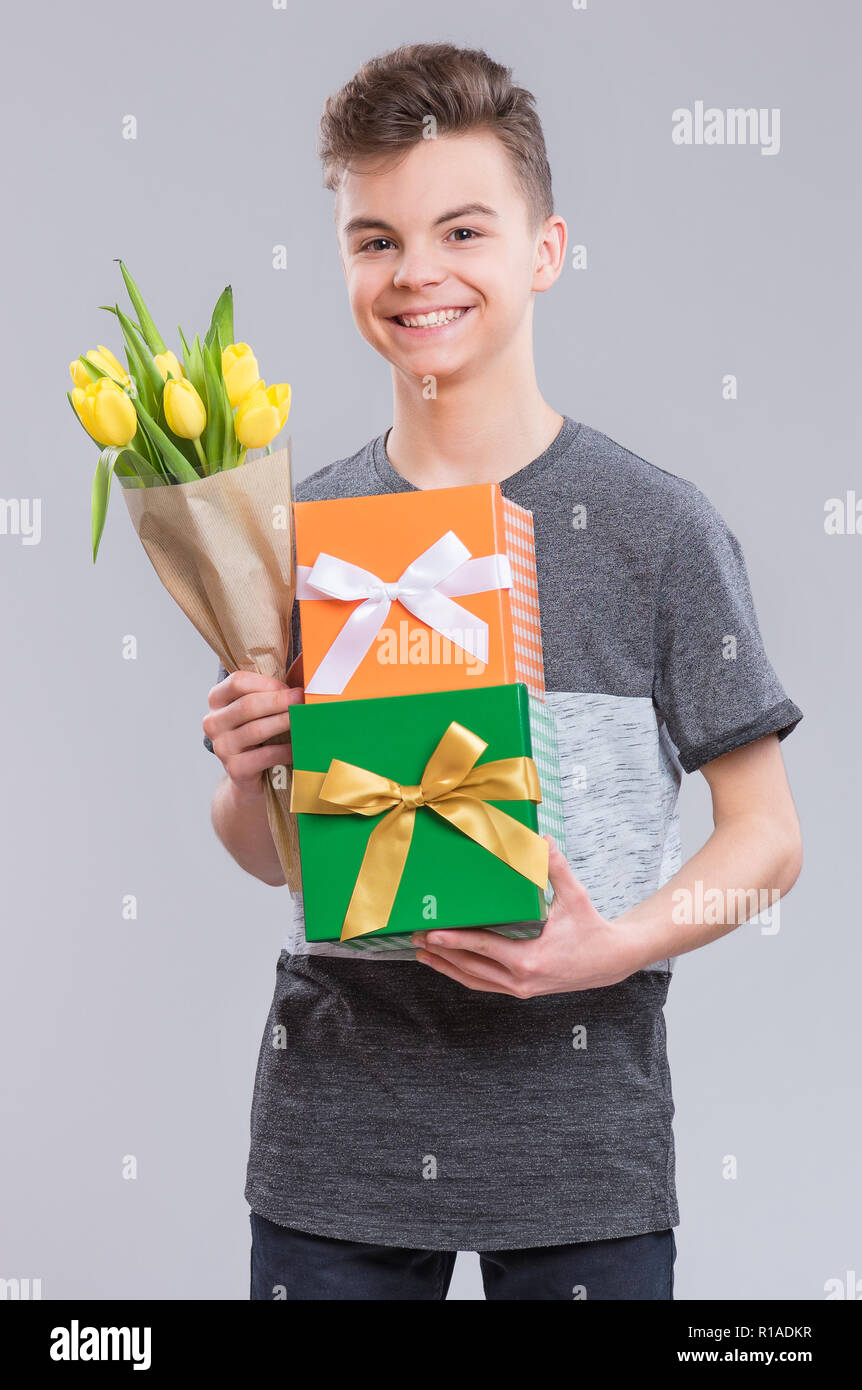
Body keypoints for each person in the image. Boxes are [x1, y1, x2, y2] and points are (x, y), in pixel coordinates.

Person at [202, 42, 803, 1301]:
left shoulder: (657, 527)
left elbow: (767, 839)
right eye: (375, 241)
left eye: (461, 230)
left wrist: (610, 948)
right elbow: (276, 855)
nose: (416, 273)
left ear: (544, 250)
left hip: (582, 1147)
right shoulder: (297, 532)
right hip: (336, 1146)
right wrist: (246, 769)